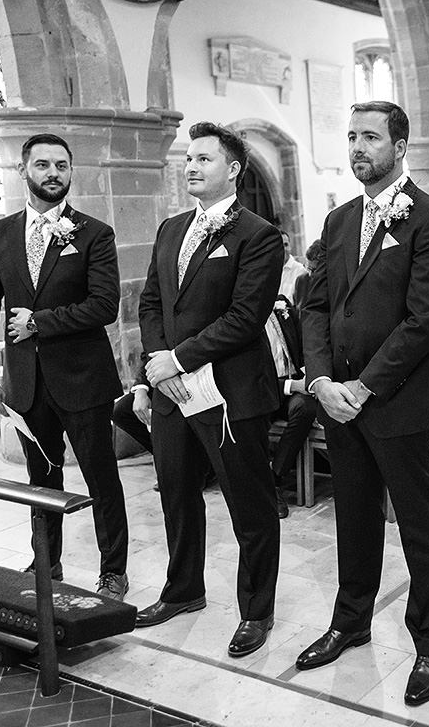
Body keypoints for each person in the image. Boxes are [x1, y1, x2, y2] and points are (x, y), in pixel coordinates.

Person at [297, 101, 429, 707]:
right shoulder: (339, 220)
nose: (358, 147)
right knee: (353, 517)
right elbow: (316, 308)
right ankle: (350, 620)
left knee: (419, 525)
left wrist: (363, 387)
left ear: (400, 144)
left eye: (370, 136)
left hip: (395, 401)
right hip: (337, 400)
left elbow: (423, 321)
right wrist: (320, 383)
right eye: (351, 136)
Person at [133, 121, 283, 661]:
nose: (191, 166)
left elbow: (245, 318)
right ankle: (183, 590)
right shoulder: (171, 228)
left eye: (204, 159)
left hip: (230, 392)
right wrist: (156, 367)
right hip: (174, 390)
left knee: (250, 505)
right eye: (188, 159)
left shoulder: (258, 235)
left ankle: (256, 609)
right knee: (175, 493)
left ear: (233, 169)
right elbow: (151, 302)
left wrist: (179, 357)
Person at [0, 133, 129, 599]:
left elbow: (104, 306)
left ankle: (113, 569)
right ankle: (47, 560)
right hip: (26, 384)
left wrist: (39, 322)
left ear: (70, 172)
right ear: (24, 172)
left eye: (61, 165)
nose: (53, 173)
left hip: (84, 379)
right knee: (41, 480)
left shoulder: (94, 233)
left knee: (102, 478)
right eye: (42, 165)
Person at [265, 292, 318, 519]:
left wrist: (310, 377)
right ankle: (262, 485)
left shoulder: (282, 306)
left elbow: (304, 346)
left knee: (305, 408)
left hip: (292, 386)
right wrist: (292, 385)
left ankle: (275, 476)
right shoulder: (240, 316)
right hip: (261, 391)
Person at [278, 229, 307, 299]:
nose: (283, 249)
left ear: (290, 246)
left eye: (285, 245)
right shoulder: (270, 272)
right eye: (279, 246)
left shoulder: (300, 271)